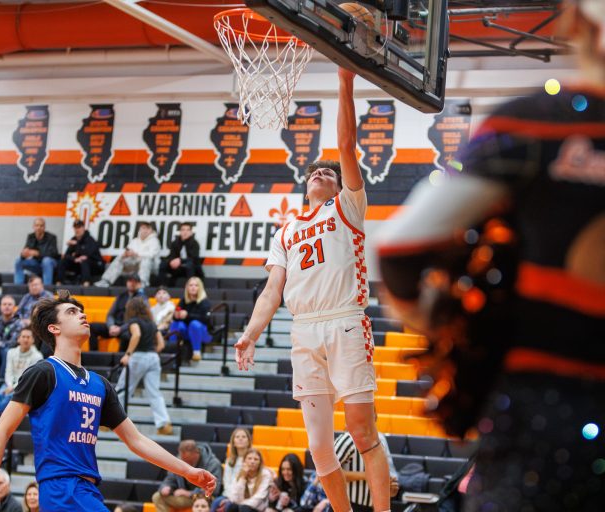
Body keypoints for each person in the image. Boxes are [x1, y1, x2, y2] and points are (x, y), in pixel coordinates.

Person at [375, 2, 605, 511]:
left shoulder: (538, 121)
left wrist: (454, 332)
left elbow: (399, 250)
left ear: (581, 19)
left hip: (545, 429)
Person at [234, 67, 390, 512]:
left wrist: (345, 81)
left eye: (329, 171)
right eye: (315, 171)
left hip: (344, 321)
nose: (322, 171)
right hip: (302, 330)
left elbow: (345, 147)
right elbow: (271, 291)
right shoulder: (286, 230)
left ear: (340, 184)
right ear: (305, 186)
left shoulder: (348, 206)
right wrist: (251, 332)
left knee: (362, 433)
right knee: (319, 447)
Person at [0, 291, 216, 512]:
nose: (82, 315)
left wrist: (187, 471)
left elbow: (136, 440)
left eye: (81, 311)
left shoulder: (99, 384)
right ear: (54, 328)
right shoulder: (43, 372)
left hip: (88, 488)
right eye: (72, 312)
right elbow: (2, 430)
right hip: (61, 487)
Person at [116, 298, 172, 435]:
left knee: (122, 389)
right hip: (153, 357)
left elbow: (136, 335)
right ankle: (164, 425)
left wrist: (128, 354)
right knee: (155, 393)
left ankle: (109, 421)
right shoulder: (152, 323)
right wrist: (151, 353)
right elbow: (161, 344)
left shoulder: (134, 321)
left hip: (137, 357)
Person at [0, 328, 43, 422]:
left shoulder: (37, 356)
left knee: (8, 397)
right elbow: (8, 372)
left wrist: (13, 387)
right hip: (10, 383)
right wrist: (10, 385)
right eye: (23, 337)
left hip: (26, 386)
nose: (25, 339)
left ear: (33, 340)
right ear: (18, 339)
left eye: (28, 337)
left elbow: (29, 377)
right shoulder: (11, 352)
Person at [333, 431, 399, 512]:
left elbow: (389, 475)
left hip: (374, 507)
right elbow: (329, 474)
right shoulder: (347, 439)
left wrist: (390, 490)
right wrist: (364, 476)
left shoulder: (381, 439)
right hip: (349, 505)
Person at [152, 440, 223, 512]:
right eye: (183, 459)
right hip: (185, 497)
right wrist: (166, 486)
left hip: (204, 497)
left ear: (196, 453)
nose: (185, 462)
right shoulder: (180, 459)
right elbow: (170, 478)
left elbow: (214, 490)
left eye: (188, 460)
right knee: (158, 496)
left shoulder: (213, 464)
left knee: (201, 504)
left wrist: (189, 493)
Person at [89, 274, 146, 351]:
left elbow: (137, 319)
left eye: (135, 281)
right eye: (130, 281)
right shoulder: (121, 296)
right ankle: (94, 355)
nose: (132, 283)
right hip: (114, 326)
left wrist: (121, 329)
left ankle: (120, 360)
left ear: (139, 284)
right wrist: (111, 326)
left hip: (127, 328)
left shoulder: (142, 299)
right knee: (92, 327)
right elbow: (110, 314)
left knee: (126, 336)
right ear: (127, 283)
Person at [95, 221, 161, 287]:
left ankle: (143, 283)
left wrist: (136, 254)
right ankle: (106, 281)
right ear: (140, 230)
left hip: (151, 267)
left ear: (151, 230)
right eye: (143, 228)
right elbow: (128, 251)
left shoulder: (154, 241)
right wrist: (125, 255)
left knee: (146, 260)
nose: (145, 230)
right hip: (134, 266)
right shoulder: (135, 241)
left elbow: (152, 255)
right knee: (119, 258)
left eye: (147, 228)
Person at [169, 277, 211, 362]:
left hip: (202, 332)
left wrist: (187, 315)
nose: (193, 287)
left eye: (196, 285)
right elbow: (176, 316)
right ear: (187, 287)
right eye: (191, 285)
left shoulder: (205, 302)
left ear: (200, 288)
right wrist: (176, 316)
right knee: (176, 324)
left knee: (194, 324)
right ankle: (172, 351)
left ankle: (196, 352)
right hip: (187, 332)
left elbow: (204, 319)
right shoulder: (183, 300)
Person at [58, 220, 105, 286]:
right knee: (62, 261)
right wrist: (74, 259)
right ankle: (59, 283)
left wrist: (77, 245)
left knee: (84, 261)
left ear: (83, 228)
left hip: (96, 265)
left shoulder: (90, 239)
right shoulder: (73, 239)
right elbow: (66, 255)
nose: (77, 230)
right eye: (75, 228)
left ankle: (86, 284)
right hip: (80, 265)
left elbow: (88, 253)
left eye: (79, 227)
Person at [14, 217, 60, 286]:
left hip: (50, 264)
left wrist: (37, 253)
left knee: (46, 260)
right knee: (18, 260)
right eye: (37, 225)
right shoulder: (31, 237)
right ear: (33, 227)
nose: (39, 227)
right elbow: (26, 250)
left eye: (41, 226)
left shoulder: (52, 237)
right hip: (36, 263)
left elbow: (54, 254)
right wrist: (23, 254)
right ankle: (18, 286)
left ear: (44, 227)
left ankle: (47, 288)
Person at [215, 427, 251, 510]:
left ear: (248, 441)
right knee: (216, 503)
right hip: (228, 494)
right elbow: (227, 481)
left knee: (228, 507)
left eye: (243, 436)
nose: (240, 439)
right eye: (237, 437)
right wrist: (228, 497)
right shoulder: (229, 460)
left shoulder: (251, 459)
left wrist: (231, 499)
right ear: (233, 442)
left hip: (244, 496)